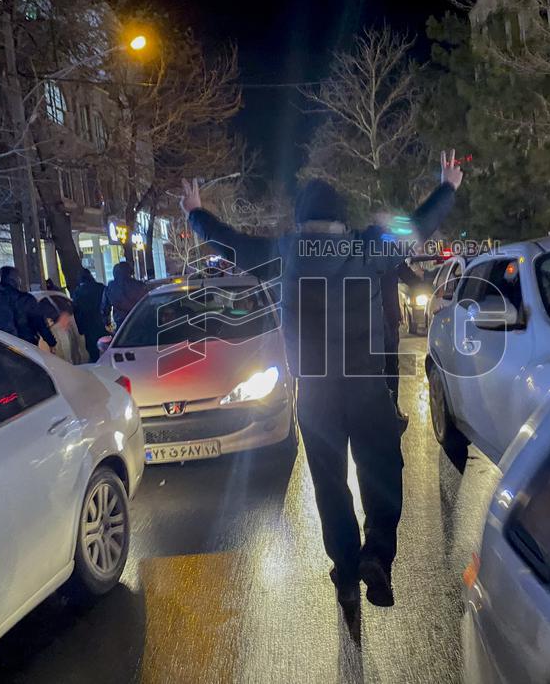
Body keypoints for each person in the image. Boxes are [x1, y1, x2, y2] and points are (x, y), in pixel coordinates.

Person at [182, 150, 462, 609]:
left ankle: (345, 565)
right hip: (368, 388)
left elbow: (228, 242)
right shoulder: (368, 246)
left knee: (329, 482)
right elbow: (418, 226)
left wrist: (196, 213)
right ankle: (377, 555)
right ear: (340, 217)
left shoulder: (282, 254)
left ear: (300, 219)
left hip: (314, 396)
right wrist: (448, 186)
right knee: (382, 473)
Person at [380, 260, 423, 429]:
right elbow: (410, 279)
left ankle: (388, 408)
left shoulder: (356, 244)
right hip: (384, 318)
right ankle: (391, 409)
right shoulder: (390, 253)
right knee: (390, 365)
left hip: (372, 318)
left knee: (384, 365)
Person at [0, 266, 57, 349]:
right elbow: (39, 323)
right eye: (18, 277)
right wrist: (51, 343)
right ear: (14, 279)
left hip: (1, 346)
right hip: (26, 347)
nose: (20, 280)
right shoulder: (25, 300)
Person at [73, 269, 108, 362]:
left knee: (93, 351)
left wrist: (80, 328)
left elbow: (76, 311)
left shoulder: (78, 292)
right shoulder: (100, 287)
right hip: (100, 323)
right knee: (105, 347)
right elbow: (106, 305)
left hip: (88, 325)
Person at [101, 261, 147, 329]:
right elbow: (148, 303)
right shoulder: (139, 285)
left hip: (121, 324)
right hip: (140, 321)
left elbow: (105, 308)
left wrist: (107, 322)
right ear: (129, 272)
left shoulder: (111, 287)